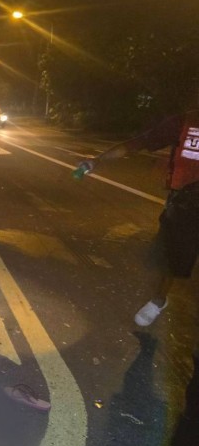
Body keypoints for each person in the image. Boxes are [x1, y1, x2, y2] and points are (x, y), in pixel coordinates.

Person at [77, 109, 199, 326]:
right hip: (187, 204)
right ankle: (159, 299)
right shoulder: (186, 122)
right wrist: (98, 160)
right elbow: (139, 142)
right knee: (171, 257)